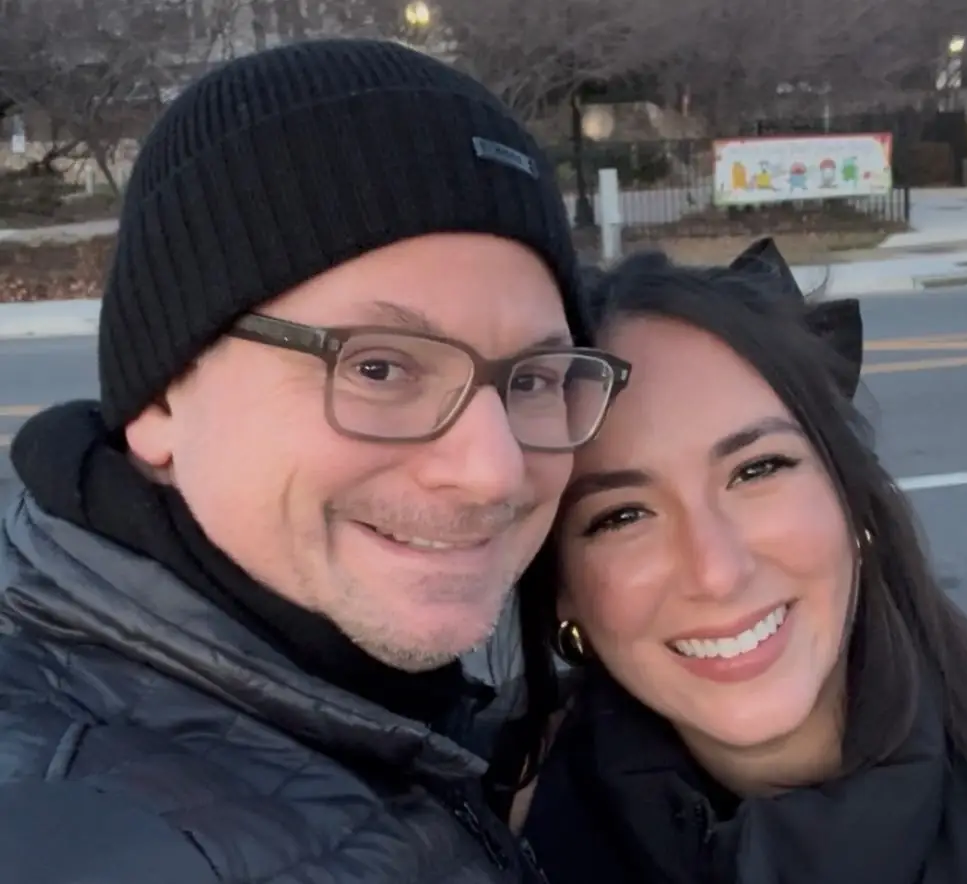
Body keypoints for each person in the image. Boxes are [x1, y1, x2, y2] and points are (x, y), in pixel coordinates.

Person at [0, 38, 632, 883]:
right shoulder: (72, 834)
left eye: (533, 379)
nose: (492, 470)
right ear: (161, 398)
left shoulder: (378, 718)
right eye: (379, 368)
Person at [507, 242, 967, 883]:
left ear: (851, 496)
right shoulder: (491, 818)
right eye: (622, 516)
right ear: (561, 587)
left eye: (758, 469)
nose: (716, 571)